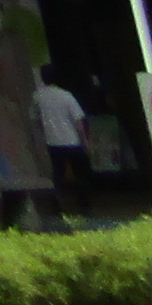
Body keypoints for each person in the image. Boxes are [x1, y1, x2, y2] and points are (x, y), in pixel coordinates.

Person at [33, 71, 91, 220]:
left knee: (58, 175)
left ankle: (57, 206)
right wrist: (85, 141)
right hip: (72, 141)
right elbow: (78, 121)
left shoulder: (38, 96)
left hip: (52, 142)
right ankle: (84, 204)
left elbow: (35, 118)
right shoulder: (66, 96)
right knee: (81, 174)